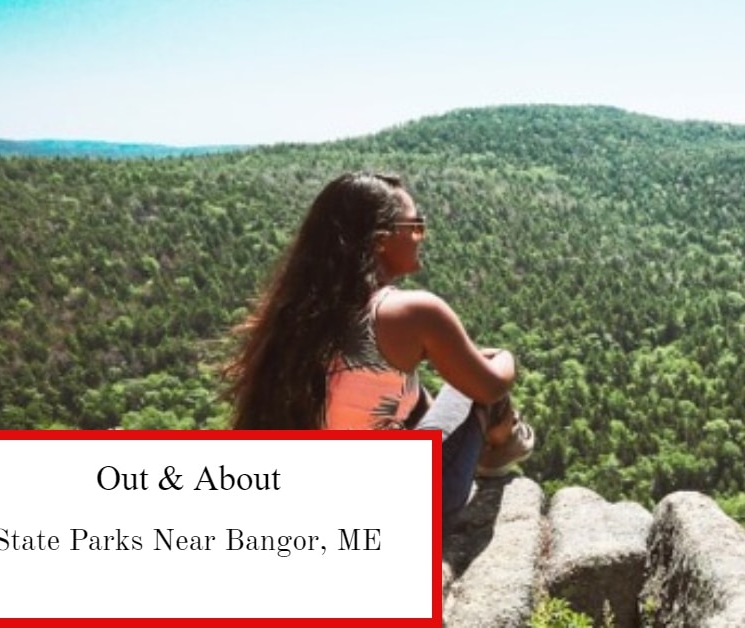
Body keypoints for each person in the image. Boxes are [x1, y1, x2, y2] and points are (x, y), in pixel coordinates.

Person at [223, 171, 533, 514]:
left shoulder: (297, 318)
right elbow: (489, 387)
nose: (421, 236)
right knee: (481, 373)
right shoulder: (411, 312)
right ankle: (503, 446)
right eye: (416, 226)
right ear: (380, 240)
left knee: (415, 389)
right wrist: (506, 358)